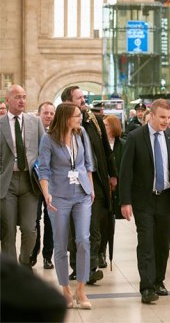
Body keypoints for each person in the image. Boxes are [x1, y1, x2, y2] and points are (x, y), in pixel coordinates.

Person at [119, 99, 170, 304]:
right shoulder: (135, 137)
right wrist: (125, 202)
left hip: (167, 198)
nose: (165, 122)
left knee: (161, 244)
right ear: (151, 115)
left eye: (169, 118)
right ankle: (147, 287)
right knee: (146, 244)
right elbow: (126, 172)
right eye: (162, 117)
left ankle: (159, 281)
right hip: (144, 200)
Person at [38, 102, 94, 309]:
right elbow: (43, 169)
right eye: (77, 115)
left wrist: (91, 187)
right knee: (60, 244)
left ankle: (81, 288)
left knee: (83, 240)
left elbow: (88, 163)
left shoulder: (81, 135)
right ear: (66, 117)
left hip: (82, 194)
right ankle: (65, 289)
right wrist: (46, 194)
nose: (80, 118)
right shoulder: (48, 139)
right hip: (58, 196)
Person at [62, 86, 117, 284]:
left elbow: (106, 151)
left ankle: (90, 267)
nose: (83, 101)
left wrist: (113, 175)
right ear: (68, 103)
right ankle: (78, 267)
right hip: (72, 185)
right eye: (79, 98)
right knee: (75, 230)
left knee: (94, 227)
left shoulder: (94, 121)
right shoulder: (62, 127)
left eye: (83, 97)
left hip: (97, 182)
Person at [0, 85, 45, 268]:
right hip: (7, 182)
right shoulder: (1, 123)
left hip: (29, 182)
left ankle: (25, 263)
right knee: (8, 231)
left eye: (24, 97)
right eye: (17, 97)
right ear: (7, 100)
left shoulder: (35, 121)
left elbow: (44, 151)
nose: (22, 100)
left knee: (29, 229)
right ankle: (10, 273)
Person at [30, 101, 56, 270]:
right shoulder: (32, 133)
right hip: (34, 182)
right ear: (39, 114)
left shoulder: (57, 134)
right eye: (45, 113)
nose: (48, 116)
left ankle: (48, 256)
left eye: (51, 113)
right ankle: (33, 252)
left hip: (53, 184)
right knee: (34, 219)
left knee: (50, 220)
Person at [100, 115, 125, 268]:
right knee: (102, 221)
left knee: (110, 223)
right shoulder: (100, 144)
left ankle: (105, 250)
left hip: (117, 189)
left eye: (106, 125)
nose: (104, 128)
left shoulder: (123, 145)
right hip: (103, 189)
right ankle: (101, 251)